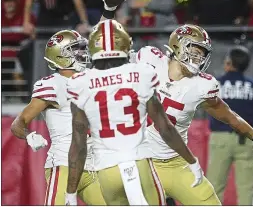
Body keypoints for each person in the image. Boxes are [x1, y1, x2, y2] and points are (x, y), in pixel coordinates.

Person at [132, 24, 253, 205]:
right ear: (177, 45)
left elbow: (229, 116)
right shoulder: (149, 60)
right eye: (195, 52)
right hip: (142, 162)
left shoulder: (202, 86)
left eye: (202, 55)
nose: (198, 59)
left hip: (175, 164)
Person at [65, 19, 201, 206]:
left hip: (107, 169)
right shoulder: (141, 73)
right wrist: (192, 162)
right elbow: (165, 128)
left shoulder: (80, 83)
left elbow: (78, 145)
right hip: (138, 162)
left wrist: (70, 192)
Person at [10, 30, 106, 206]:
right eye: (76, 49)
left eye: (82, 49)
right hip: (64, 165)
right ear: (61, 56)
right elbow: (18, 123)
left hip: (94, 166)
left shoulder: (90, 79)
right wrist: (29, 135)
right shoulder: (52, 85)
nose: (82, 53)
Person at [207, 46, 253, 205]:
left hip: (220, 138)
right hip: (247, 138)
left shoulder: (216, 84)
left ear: (229, 62)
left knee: (214, 187)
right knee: (246, 189)